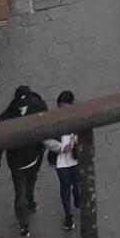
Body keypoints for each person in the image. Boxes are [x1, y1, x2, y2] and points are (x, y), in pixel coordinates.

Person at [0, 84, 48, 236]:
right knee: (22, 191)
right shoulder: (37, 106)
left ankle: (28, 208)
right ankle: (24, 219)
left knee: (25, 187)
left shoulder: (6, 115)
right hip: (25, 160)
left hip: (25, 160)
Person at [45, 90, 81, 230]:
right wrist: (60, 148)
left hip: (75, 156)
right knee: (65, 185)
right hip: (61, 159)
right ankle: (68, 215)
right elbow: (46, 138)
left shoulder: (77, 116)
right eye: (60, 107)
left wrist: (75, 140)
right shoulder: (53, 119)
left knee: (76, 182)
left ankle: (77, 195)